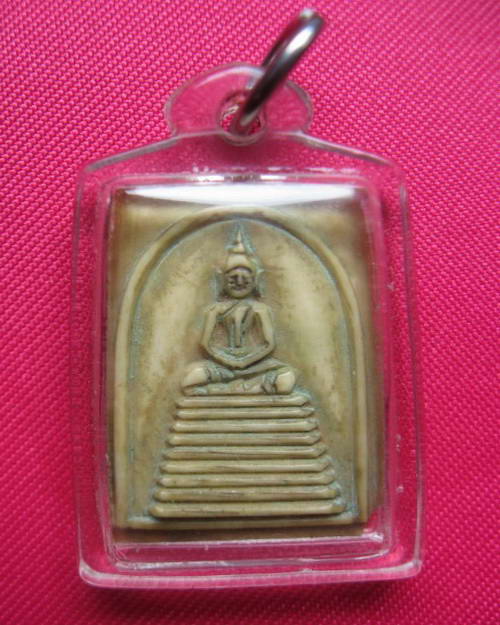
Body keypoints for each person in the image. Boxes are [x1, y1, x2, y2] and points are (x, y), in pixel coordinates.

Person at [182, 226, 296, 395]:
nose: (239, 282)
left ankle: (227, 389)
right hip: (222, 364)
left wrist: (245, 362)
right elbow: (205, 344)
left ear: (255, 280)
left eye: (245, 278)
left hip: (254, 364)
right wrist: (228, 361)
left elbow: (269, 344)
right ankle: (245, 388)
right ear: (222, 280)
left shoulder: (260, 309)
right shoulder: (216, 310)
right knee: (190, 377)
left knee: (286, 377)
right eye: (233, 278)